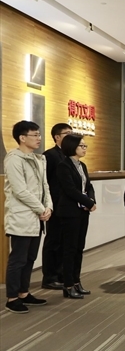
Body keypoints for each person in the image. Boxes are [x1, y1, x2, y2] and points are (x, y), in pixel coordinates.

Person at [4, 120, 51, 313]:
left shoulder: (39, 159)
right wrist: (41, 208)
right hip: (22, 216)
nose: (39, 138)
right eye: (35, 135)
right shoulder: (14, 159)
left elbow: (45, 186)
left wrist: (48, 207)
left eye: (39, 134)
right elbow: (20, 190)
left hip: (37, 216)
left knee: (30, 257)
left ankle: (24, 293)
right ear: (22, 138)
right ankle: (12, 298)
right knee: (18, 259)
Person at [56, 134, 96, 299]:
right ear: (72, 146)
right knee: (70, 249)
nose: (84, 148)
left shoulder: (82, 165)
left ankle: (76, 281)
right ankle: (68, 285)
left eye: (85, 146)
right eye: (82, 146)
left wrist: (91, 200)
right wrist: (88, 202)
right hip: (69, 212)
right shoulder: (63, 166)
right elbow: (70, 190)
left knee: (79, 247)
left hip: (82, 211)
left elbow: (88, 186)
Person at [41, 122, 72, 290]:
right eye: (67, 134)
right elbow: (45, 182)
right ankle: (49, 277)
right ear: (57, 137)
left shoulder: (69, 155)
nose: (71, 137)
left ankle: (60, 274)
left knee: (64, 241)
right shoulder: (50, 155)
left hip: (66, 207)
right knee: (53, 241)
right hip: (54, 205)